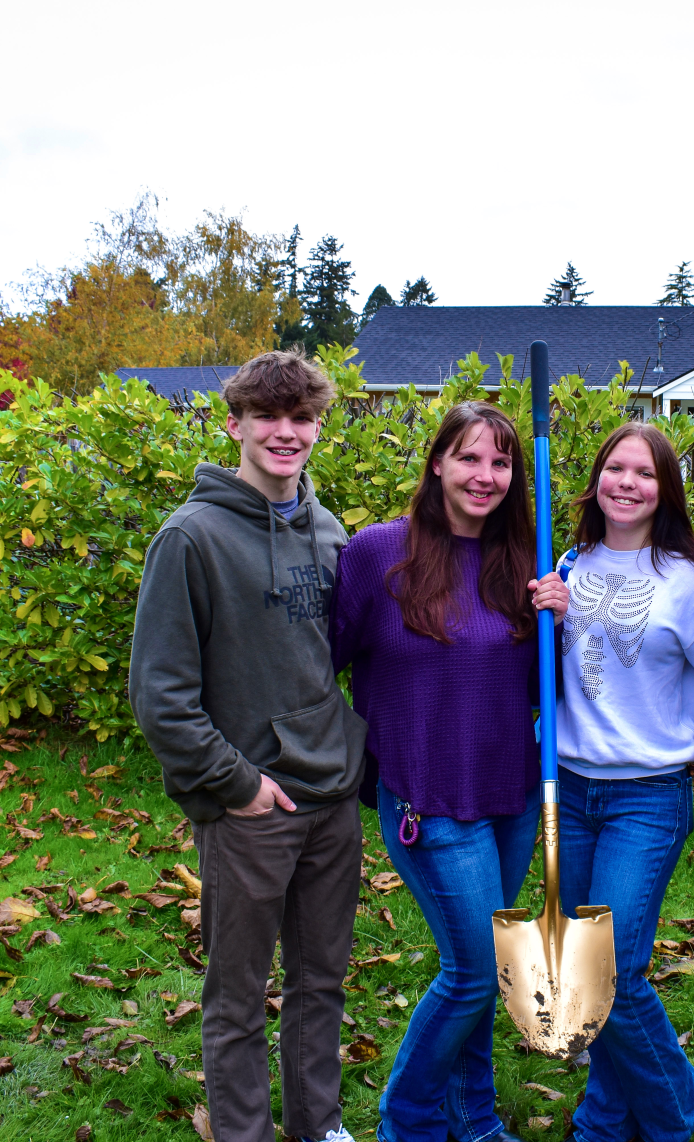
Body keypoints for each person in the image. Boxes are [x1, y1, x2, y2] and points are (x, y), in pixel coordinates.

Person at [130, 348, 367, 1142]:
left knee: (321, 981)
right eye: (267, 415)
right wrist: (238, 787)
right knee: (236, 996)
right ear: (232, 423)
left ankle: (318, 1124)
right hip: (251, 806)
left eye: (302, 417)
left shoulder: (329, 532)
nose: (286, 431)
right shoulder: (189, 540)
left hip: (332, 797)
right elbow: (160, 696)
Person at [332, 400, 569, 1142]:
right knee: (472, 972)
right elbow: (321, 670)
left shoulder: (525, 566)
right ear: (436, 462)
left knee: (481, 972)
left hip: (511, 794)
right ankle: (408, 1120)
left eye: (500, 462)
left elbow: (543, 689)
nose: (486, 476)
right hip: (427, 797)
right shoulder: (378, 555)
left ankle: (475, 1121)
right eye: (468, 457)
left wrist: (559, 622)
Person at [554, 423, 694, 1142]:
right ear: (596, 481)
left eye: (645, 473)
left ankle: (676, 1106)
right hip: (572, 789)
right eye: (616, 469)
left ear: (666, 490)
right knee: (587, 968)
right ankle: (604, 1117)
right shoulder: (565, 563)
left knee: (613, 971)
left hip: (647, 794)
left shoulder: (692, 581)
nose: (628, 483)